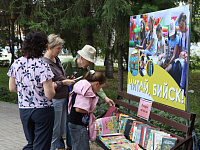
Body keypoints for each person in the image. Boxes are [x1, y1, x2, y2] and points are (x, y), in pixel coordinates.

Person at [57, 44, 115, 149]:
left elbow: (95, 86)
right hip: (61, 96)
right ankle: (60, 146)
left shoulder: (86, 72)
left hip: (75, 100)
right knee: (60, 123)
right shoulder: (66, 63)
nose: (89, 64)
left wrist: (105, 98)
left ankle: (71, 145)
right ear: (82, 58)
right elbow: (54, 77)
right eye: (88, 61)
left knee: (70, 123)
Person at [7, 30, 56, 150]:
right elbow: (49, 95)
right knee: (41, 145)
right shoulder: (43, 65)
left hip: (24, 109)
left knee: (31, 143)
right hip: (42, 110)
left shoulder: (16, 64)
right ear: (43, 46)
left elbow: (12, 88)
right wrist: (53, 87)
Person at [41, 34, 75, 150]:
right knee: (55, 130)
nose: (60, 51)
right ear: (50, 47)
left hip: (63, 97)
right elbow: (48, 85)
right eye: (58, 48)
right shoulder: (45, 63)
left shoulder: (56, 59)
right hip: (55, 99)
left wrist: (67, 79)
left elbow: (59, 77)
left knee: (60, 130)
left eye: (61, 48)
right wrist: (64, 83)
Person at [68, 70, 106, 150]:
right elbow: (78, 109)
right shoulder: (86, 91)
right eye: (100, 87)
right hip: (78, 124)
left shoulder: (82, 86)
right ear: (96, 84)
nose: (99, 90)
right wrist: (91, 109)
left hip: (75, 122)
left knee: (77, 146)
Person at [177, 12, 189, 91]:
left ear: (185, 22)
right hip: (184, 57)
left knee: (185, 64)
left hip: (188, 59)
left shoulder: (189, 33)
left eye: (181, 27)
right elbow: (183, 49)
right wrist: (182, 53)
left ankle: (181, 87)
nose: (180, 30)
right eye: (179, 28)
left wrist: (186, 54)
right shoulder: (181, 34)